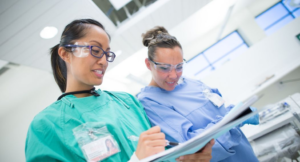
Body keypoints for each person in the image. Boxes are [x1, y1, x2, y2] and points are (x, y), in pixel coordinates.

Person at [25, 19, 214, 162]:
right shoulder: (46, 125)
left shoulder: (127, 101)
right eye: (96, 50)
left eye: (107, 53)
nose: (103, 61)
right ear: (65, 53)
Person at [137, 26, 260, 162]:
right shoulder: (149, 102)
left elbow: (219, 110)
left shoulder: (192, 83)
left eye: (179, 67)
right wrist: (234, 120)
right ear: (149, 64)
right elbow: (192, 146)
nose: (173, 75)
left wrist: (234, 114)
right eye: (165, 68)